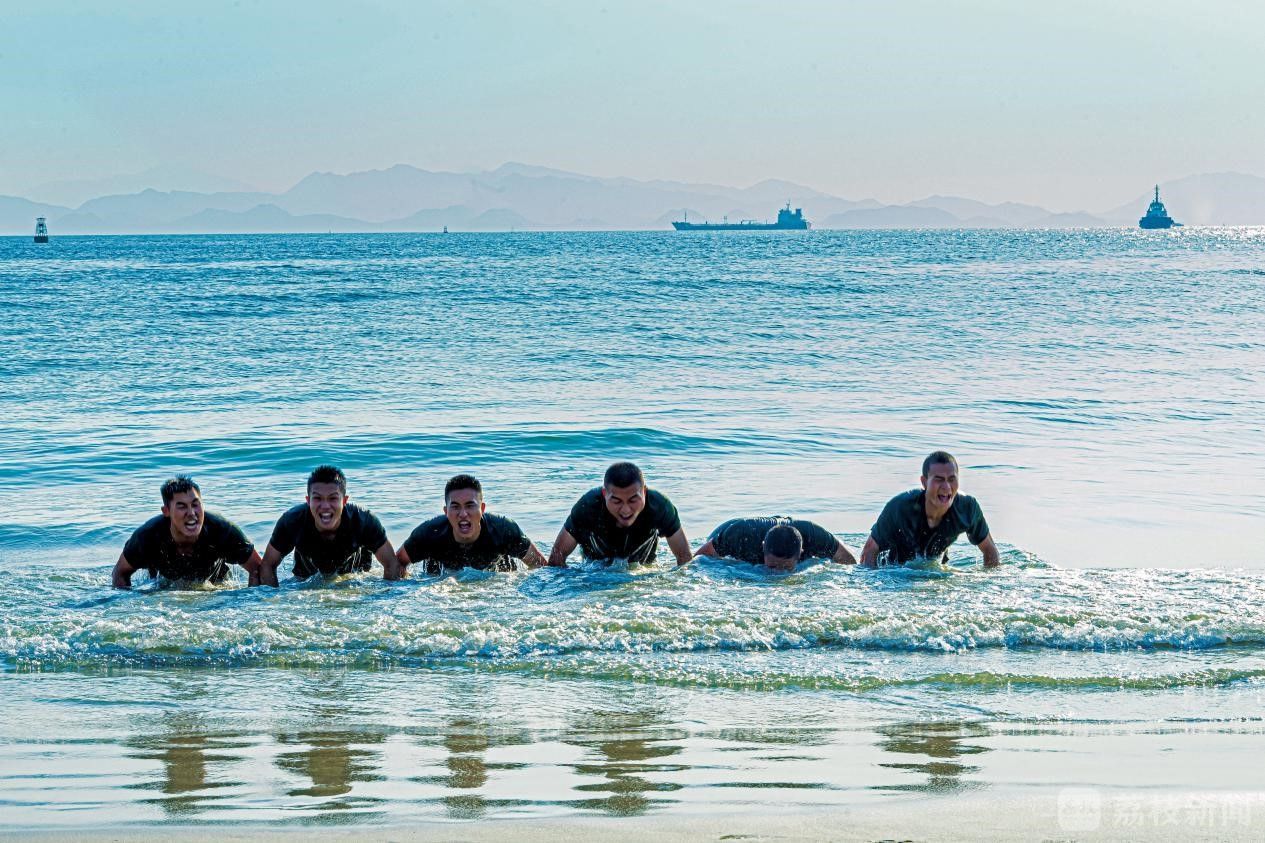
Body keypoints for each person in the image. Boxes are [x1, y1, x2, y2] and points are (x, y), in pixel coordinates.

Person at [112, 475, 261, 588]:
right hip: (164, 588)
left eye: (196, 505)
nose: (191, 513)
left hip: (216, 586)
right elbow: (120, 572)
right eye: (182, 506)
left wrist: (250, 603)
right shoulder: (148, 536)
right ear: (166, 511)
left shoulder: (222, 530)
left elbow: (257, 568)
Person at [258, 465, 398, 584]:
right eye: (317, 498)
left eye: (333, 498)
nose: (325, 506)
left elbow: (392, 563)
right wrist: (273, 603)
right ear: (308, 500)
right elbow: (267, 565)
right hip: (306, 581)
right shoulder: (292, 521)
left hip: (354, 579)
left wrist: (383, 600)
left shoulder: (363, 520)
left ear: (344, 501)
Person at [859, 451, 999, 569]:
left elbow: (990, 550)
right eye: (939, 479)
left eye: (951, 479)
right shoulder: (900, 507)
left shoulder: (967, 508)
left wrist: (987, 584)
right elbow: (868, 551)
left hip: (934, 573)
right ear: (924, 482)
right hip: (894, 573)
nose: (946, 487)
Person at [548, 461, 691, 567]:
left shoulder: (660, 506)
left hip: (641, 572)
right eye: (617, 501)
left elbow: (684, 558)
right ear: (605, 494)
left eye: (633, 500)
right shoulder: (588, 506)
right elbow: (556, 559)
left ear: (644, 492)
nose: (626, 510)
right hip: (595, 573)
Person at [396, 474, 546, 575]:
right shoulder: (430, 533)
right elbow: (397, 564)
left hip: (497, 585)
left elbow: (540, 566)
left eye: (470, 505)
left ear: (482, 509)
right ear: (445, 511)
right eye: (455, 506)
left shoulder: (503, 530)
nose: (463, 513)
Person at [694, 516, 857, 571]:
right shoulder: (739, 536)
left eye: (786, 567)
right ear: (762, 548)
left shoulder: (816, 536)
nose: (778, 575)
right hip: (729, 530)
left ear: (800, 554)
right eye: (772, 567)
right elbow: (698, 559)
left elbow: (847, 559)